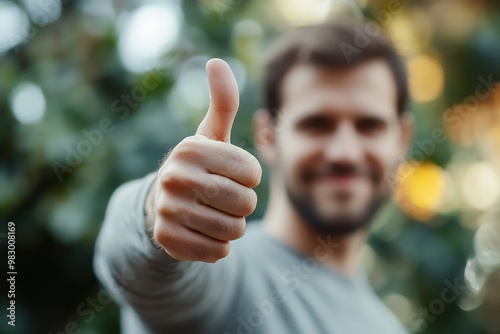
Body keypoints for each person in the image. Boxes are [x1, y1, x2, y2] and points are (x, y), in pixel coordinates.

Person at [94, 18, 413, 334]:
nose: (345, 153)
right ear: (267, 136)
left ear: (402, 140)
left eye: (370, 125)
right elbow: (144, 272)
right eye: (316, 124)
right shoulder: (221, 272)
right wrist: (153, 212)